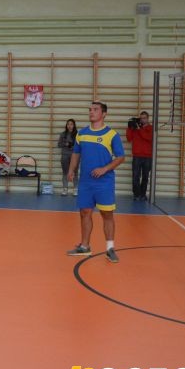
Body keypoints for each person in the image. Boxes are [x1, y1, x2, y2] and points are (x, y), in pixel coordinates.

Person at [66, 102, 126, 263]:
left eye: (95, 110)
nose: (91, 112)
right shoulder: (82, 133)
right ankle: (84, 246)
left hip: (104, 182)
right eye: (90, 110)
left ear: (104, 114)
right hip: (86, 182)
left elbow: (121, 157)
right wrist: (71, 170)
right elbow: (76, 153)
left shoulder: (111, 134)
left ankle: (110, 248)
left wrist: (104, 169)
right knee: (85, 212)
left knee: (107, 214)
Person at [126, 111, 153, 201]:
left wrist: (139, 129)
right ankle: (136, 195)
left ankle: (143, 194)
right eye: (141, 118)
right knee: (135, 176)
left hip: (147, 157)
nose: (142, 120)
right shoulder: (135, 128)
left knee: (145, 177)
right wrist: (129, 128)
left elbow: (149, 138)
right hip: (137, 156)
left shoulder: (151, 128)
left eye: (144, 118)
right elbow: (129, 138)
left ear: (148, 119)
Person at [57, 119, 79, 196]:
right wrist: (66, 144)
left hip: (75, 155)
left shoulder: (78, 134)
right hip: (65, 155)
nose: (69, 126)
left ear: (74, 125)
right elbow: (59, 145)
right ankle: (65, 189)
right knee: (65, 172)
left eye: (71, 124)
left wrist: (73, 146)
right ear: (66, 125)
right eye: (68, 124)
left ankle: (75, 189)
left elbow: (81, 145)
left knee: (75, 172)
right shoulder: (63, 134)